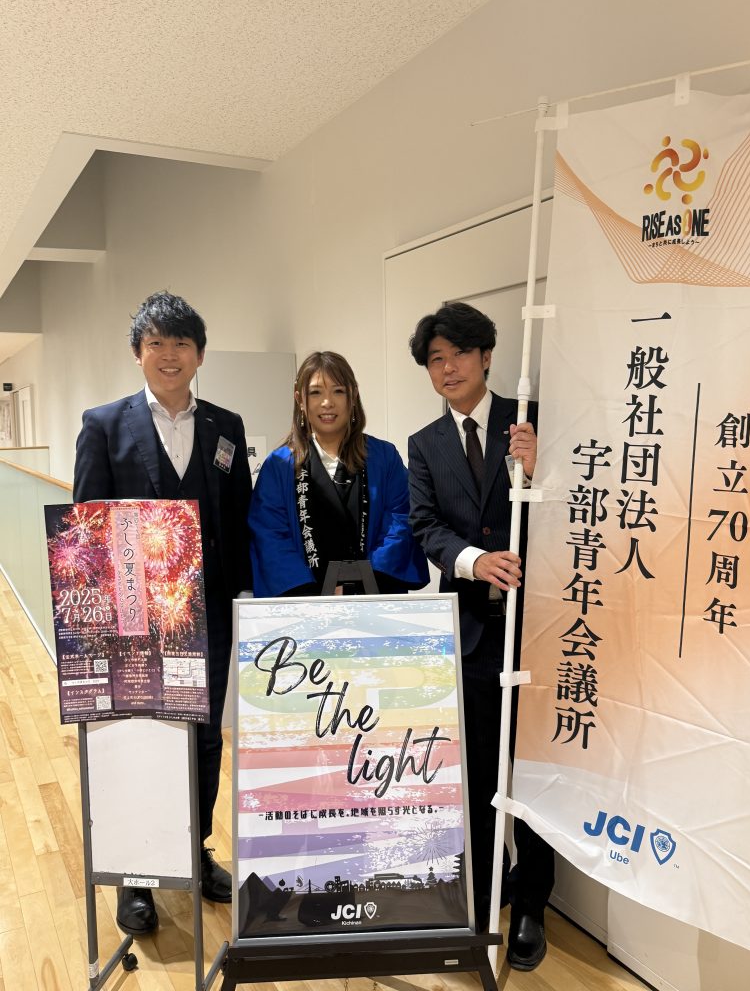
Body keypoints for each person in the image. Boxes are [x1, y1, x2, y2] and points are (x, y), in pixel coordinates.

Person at [73, 291, 252, 936]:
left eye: (181, 343)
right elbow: (87, 528)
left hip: (210, 615)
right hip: (134, 620)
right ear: (138, 354)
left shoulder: (226, 426)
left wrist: (246, 597)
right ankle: (136, 873)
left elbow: (239, 516)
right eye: (156, 343)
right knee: (140, 737)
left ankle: (194, 851)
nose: (169, 355)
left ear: (199, 355)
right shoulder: (104, 425)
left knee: (204, 737)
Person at [407, 302, 554, 971]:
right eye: (436, 359)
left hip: (536, 629)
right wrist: (472, 560)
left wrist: (541, 468)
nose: (448, 368)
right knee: (476, 772)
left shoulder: (531, 421)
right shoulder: (425, 444)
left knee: (534, 773)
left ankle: (531, 904)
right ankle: (483, 890)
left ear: (486, 356)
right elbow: (426, 526)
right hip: (467, 634)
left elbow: (580, 503)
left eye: (459, 354)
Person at [248, 350, 428, 597]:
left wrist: (363, 583)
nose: (327, 402)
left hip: (374, 597)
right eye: (316, 392)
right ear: (300, 399)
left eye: (338, 391)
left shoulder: (383, 457)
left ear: (353, 395)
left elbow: (401, 519)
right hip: (304, 604)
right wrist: (316, 595)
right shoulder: (278, 466)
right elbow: (270, 536)